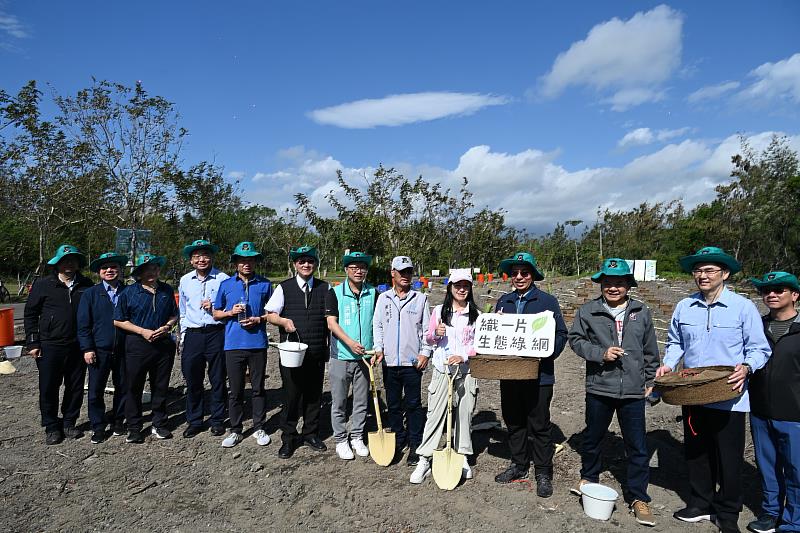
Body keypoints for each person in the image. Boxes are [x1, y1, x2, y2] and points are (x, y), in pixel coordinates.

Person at [657, 246, 770, 533]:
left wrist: (747, 367)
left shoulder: (743, 307)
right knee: (696, 450)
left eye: (709, 270)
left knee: (728, 456)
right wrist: (669, 365)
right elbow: (675, 343)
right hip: (693, 391)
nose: (702, 275)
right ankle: (699, 503)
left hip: (729, 394)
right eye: (698, 270)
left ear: (725, 274)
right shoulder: (684, 306)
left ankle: (728, 511)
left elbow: (759, 348)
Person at [568, 258, 659, 526]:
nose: (613, 288)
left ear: (628, 286)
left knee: (637, 446)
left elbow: (651, 349)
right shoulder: (589, 311)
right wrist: (600, 354)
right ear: (601, 284)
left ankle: (638, 496)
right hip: (600, 386)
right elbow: (576, 340)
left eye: (619, 283)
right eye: (608, 282)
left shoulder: (641, 312)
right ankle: (589, 477)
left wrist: (651, 379)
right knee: (593, 438)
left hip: (632, 389)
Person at [494, 251, 568, 497]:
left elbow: (560, 334)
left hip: (540, 376)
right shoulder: (503, 302)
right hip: (511, 374)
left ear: (533, 275)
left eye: (524, 273)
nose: (519, 277)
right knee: (514, 421)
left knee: (539, 425)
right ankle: (519, 464)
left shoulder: (547, 301)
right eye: (514, 273)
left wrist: (547, 353)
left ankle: (543, 472)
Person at [410, 268, 479, 484]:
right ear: (450, 287)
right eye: (457, 285)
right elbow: (429, 339)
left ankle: (462, 455)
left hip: (466, 372)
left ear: (470, 288)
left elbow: (480, 345)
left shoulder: (476, 315)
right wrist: (434, 334)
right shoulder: (439, 311)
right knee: (435, 414)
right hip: (442, 371)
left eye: (465, 285)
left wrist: (464, 356)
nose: (461, 289)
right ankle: (425, 457)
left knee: (464, 415)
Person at [267, 245, 335, 459]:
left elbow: (331, 319)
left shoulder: (325, 288)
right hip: (292, 354)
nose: (306, 265)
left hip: (316, 352)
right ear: (295, 264)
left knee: (314, 396)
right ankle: (288, 437)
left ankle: (310, 434)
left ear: (315, 264)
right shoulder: (284, 288)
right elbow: (270, 314)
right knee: (291, 395)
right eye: (301, 261)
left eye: (310, 261)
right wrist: (283, 321)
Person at [24, 244, 94, 445]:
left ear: (78, 263)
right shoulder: (43, 285)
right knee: (48, 387)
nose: (69, 264)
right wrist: (33, 342)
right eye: (65, 261)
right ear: (58, 263)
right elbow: (30, 314)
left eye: (72, 260)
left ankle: (69, 423)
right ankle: (52, 426)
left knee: (75, 386)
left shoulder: (86, 285)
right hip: (49, 345)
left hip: (77, 345)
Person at [747, 271, 800, 533]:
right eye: (767, 290)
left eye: (779, 289)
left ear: (795, 295)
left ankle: (793, 520)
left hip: (794, 414)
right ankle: (770, 513)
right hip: (760, 409)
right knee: (767, 466)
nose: (772, 294)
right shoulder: (756, 327)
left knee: (796, 470)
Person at [113, 253, 179, 444]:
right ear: (139, 273)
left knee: (160, 386)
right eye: (147, 270)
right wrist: (142, 331)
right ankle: (134, 427)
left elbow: (174, 315)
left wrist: (167, 327)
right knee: (134, 386)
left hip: (163, 345)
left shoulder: (166, 290)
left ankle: (159, 423)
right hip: (137, 345)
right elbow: (118, 320)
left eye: (155, 268)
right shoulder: (129, 292)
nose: (152, 272)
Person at [372, 255, 432, 466]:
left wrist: (425, 353)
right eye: (402, 271)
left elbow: (427, 330)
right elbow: (377, 325)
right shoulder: (383, 298)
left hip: (413, 362)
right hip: (389, 362)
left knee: (414, 405)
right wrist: (378, 349)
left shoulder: (421, 299)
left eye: (409, 271)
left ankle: (416, 443)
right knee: (394, 404)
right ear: (393, 273)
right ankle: (398, 438)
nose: (406, 275)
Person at [213, 242, 273, 448]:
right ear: (236, 263)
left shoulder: (265, 284)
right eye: (242, 260)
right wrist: (230, 313)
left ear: (255, 262)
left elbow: (273, 313)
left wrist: (259, 319)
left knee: (258, 388)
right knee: (235, 390)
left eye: (250, 260)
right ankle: (236, 429)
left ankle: (259, 427)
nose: (246, 264)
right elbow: (216, 312)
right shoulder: (226, 285)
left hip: (257, 343)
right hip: (233, 344)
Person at [326, 251, 376, 461]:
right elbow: (331, 323)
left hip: (365, 358)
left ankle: (357, 436)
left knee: (361, 401)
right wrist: (350, 343)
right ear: (346, 270)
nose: (358, 270)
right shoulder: (335, 293)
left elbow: (378, 323)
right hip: (341, 355)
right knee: (338, 401)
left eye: (362, 267)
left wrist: (377, 348)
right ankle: (340, 439)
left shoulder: (373, 293)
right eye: (354, 267)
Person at [178, 239, 230, 438]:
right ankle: (195, 420)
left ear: (212, 258)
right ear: (191, 261)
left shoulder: (223, 279)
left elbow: (230, 308)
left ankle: (217, 420)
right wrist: (183, 335)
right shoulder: (184, 281)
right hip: (193, 334)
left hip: (216, 333)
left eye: (205, 256)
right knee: (193, 380)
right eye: (197, 256)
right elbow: (182, 310)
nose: (201, 260)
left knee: (217, 379)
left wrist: (215, 308)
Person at [77, 252, 129, 444]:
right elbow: (83, 325)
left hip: (124, 349)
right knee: (95, 390)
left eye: (113, 267)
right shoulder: (90, 294)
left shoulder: (129, 291)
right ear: (99, 272)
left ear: (120, 269)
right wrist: (87, 348)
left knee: (123, 387)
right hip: (99, 350)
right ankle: (98, 426)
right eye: (105, 268)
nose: (109, 270)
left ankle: (118, 421)